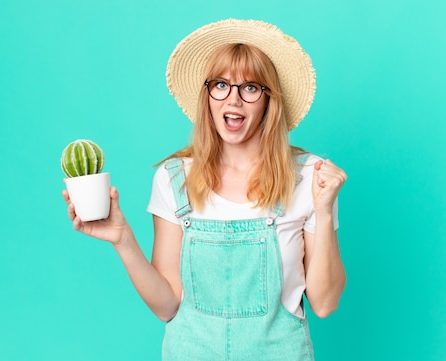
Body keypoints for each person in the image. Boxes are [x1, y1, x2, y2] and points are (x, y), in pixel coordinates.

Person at [63, 19, 347, 361]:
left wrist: (325, 208)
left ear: (268, 101)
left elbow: (325, 303)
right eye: (222, 85)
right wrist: (123, 239)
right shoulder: (174, 178)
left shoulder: (307, 177)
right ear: (207, 95)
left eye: (251, 87)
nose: (235, 99)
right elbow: (167, 306)